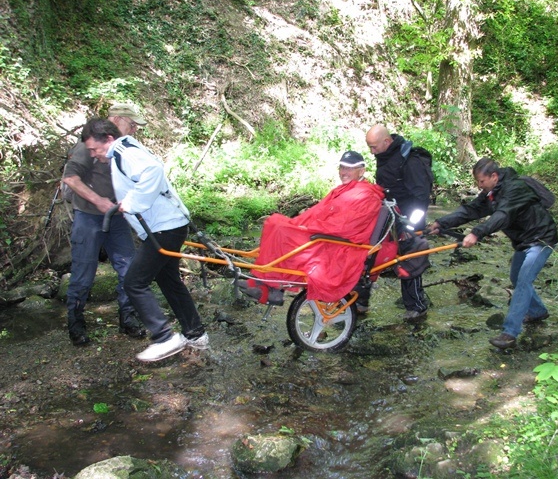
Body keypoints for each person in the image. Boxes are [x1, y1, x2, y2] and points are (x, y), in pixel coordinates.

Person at [81, 118, 209, 362]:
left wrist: (130, 204)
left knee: (134, 283)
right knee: (169, 280)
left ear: (108, 139)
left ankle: (165, 337)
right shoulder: (123, 151)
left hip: (165, 228)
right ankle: (196, 334)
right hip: (167, 226)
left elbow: (153, 171)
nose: (93, 155)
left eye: (94, 149)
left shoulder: (122, 151)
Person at [427, 158, 558, 350]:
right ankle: (538, 311)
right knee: (516, 277)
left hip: (541, 238)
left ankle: (510, 333)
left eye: (481, 181)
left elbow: (502, 216)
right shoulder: (492, 192)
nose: (479, 186)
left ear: (494, 176)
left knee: (523, 280)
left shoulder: (514, 189)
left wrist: (476, 233)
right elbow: (471, 210)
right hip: (523, 241)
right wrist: (441, 223)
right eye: (477, 182)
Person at [238, 151, 386, 304]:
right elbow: (317, 212)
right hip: (324, 233)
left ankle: (272, 287)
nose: (343, 172)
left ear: (361, 171)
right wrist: (298, 223)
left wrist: (308, 227)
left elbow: (345, 227)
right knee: (274, 222)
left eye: (349, 168)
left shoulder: (367, 196)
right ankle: (265, 283)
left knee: (282, 231)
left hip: (337, 243)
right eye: (342, 167)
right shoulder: (343, 190)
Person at [63, 104, 147, 346]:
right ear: (117, 120)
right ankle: (76, 325)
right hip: (88, 217)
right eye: (131, 124)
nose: (133, 130)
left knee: (128, 269)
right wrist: (97, 200)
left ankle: (128, 319)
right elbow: (70, 177)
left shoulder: (126, 147)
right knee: (83, 274)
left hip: (117, 217)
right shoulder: (89, 144)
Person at [362, 124, 432, 319]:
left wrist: (411, 226)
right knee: (369, 255)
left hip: (408, 219)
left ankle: (416, 307)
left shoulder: (410, 160)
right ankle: (360, 302)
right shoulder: (384, 157)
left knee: (410, 258)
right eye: (369, 147)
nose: (371, 151)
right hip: (387, 216)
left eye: (374, 147)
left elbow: (421, 198)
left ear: (387, 141)